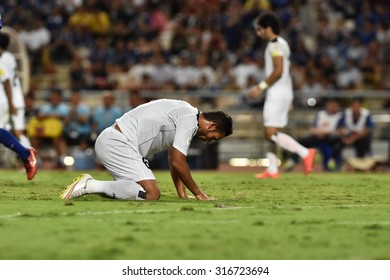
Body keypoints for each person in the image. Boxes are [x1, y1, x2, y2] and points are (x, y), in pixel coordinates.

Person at [60, 99, 233, 201]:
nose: (210, 141)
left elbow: (173, 158)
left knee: (134, 190)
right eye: (214, 137)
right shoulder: (190, 119)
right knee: (151, 193)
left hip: (114, 142)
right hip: (118, 143)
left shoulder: (187, 114)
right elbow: (177, 161)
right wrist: (199, 194)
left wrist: (182, 194)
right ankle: (90, 185)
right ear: (212, 126)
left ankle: (93, 186)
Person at [249, 12, 315, 178]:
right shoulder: (281, 44)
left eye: (260, 29)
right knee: (271, 131)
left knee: (270, 133)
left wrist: (261, 87)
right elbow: (287, 70)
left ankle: (305, 153)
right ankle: (272, 169)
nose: (258, 33)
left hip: (277, 93)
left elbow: (279, 71)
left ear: (268, 28)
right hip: (282, 93)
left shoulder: (276, 45)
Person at [285, 98, 344, 171]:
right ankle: (292, 160)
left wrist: (324, 133)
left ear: (338, 106)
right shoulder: (321, 114)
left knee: (337, 143)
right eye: (330, 105)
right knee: (301, 141)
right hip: (317, 136)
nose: (332, 107)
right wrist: (317, 132)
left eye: (334, 105)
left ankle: (333, 162)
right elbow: (312, 128)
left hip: (330, 137)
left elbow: (340, 132)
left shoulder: (340, 116)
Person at [0, 33, 31, 148]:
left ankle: (29, 156)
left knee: (17, 132)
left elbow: (6, 82)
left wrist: (11, 104)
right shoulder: (9, 57)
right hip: (13, 100)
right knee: (12, 131)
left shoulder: (3, 59)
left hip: (12, 101)